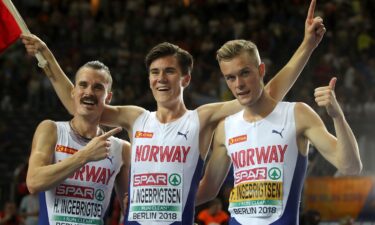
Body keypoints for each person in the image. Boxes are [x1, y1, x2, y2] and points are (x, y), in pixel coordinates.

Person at [21, 0, 325, 223]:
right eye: (154, 72)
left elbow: (265, 94)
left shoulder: (202, 118)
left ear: (186, 79)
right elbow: (81, 104)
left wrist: (307, 47)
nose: (161, 79)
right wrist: (47, 60)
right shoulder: (135, 117)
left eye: (169, 71)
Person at [195, 31, 362, 225]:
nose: (239, 84)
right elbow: (208, 189)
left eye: (245, 73)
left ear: (261, 70)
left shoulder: (297, 114)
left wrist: (338, 117)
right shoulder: (226, 127)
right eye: (230, 78)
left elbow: (351, 166)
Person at [25, 61, 131, 225]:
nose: (89, 92)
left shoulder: (122, 149)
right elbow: (34, 182)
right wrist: (84, 156)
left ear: (108, 97)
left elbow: (130, 210)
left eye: (98, 87)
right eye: (83, 85)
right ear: (73, 92)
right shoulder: (51, 129)